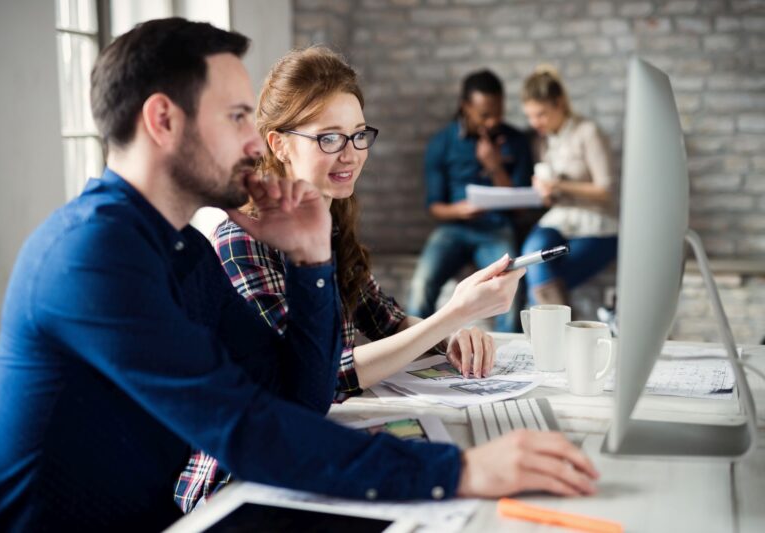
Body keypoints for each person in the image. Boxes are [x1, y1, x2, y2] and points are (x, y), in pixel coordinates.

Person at [0, 19, 597, 531]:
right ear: (163, 120)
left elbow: (298, 393)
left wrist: (312, 261)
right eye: (238, 117)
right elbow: (247, 427)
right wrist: (459, 471)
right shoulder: (93, 255)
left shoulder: (178, 247)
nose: (255, 141)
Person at [175, 47, 530, 511]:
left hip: (304, 453)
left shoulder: (330, 217)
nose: (351, 154)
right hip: (236, 482)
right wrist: (451, 315)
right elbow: (322, 377)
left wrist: (454, 333)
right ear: (278, 145)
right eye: (329, 138)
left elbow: (385, 319)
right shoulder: (241, 241)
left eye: (359, 135)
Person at [407, 69, 534, 332]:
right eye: (485, 115)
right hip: (454, 228)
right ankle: (413, 352)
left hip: (497, 229)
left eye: (499, 113)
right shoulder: (442, 143)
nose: (494, 121)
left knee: (508, 288)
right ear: (465, 107)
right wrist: (459, 210)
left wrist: (495, 166)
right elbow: (434, 207)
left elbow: (522, 206)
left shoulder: (516, 141)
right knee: (421, 284)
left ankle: (507, 362)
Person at [520, 66, 619, 305]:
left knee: (542, 276)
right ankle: (556, 334)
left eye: (541, 114)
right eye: (530, 116)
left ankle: (544, 336)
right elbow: (554, 196)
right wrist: (545, 193)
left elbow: (606, 190)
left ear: (560, 103)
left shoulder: (588, 132)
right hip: (560, 221)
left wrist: (560, 186)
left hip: (597, 224)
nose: (535, 123)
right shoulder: (545, 141)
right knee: (533, 253)